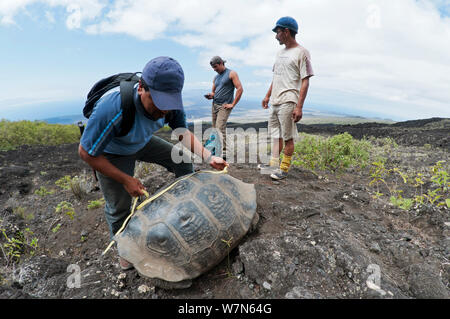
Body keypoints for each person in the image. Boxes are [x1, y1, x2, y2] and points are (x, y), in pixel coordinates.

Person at [78, 56, 227, 270]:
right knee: (119, 207)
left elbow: (181, 131)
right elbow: (85, 152)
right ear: (141, 88)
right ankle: (125, 252)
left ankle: (186, 211)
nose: (164, 111)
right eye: (158, 104)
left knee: (183, 161)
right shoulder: (113, 107)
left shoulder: (171, 102)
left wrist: (208, 157)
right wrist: (126, 179)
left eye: (168, 104)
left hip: (141, 140)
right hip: (113, 152)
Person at [260, 16, 314, 180]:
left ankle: (283, 169)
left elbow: (305, 80)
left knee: (288, 136)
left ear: (286, 31)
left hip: (289, 99)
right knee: (276, 135)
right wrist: (268, 95)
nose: (276, 36)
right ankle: (273, 165)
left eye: (277, 32)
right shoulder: (279, 53)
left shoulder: (302, 52)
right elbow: (276, 77)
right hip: (275, 100)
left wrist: (299, 106)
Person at [204, 56, 243, 160]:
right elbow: (214, 92)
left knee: (219, 128)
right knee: (215, 129)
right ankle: (217, 150)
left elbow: (240, 89)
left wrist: (233, 104)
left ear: (221, 63)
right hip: (215, 104)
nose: (214, 69)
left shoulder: (231, 73)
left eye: (216, 67)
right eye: (213, 68)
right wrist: (210, 95)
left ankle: (224, 153)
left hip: (224, 106)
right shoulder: (216, 77)